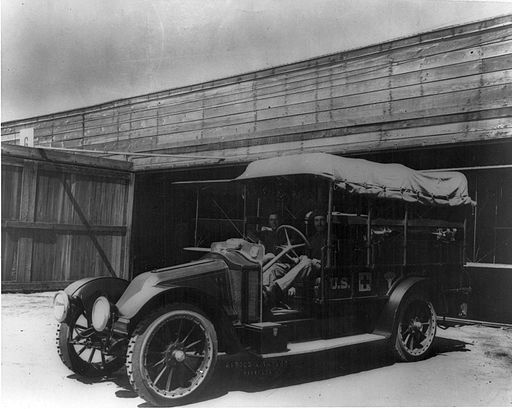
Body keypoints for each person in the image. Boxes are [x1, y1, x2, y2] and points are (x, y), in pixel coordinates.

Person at [262, 212, 327, 307]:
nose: (319, 223)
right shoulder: (312, 238)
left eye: (322, 220)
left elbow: (327, 260)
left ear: (326, 222)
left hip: (319, 267)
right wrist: (298, 258)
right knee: (275, 267)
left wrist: (312, 260)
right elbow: (306, 254)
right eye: (317, 221)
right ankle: (264, 292)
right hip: (307, 264)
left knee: (307, 262)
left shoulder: (329, 238)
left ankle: (277, 287)